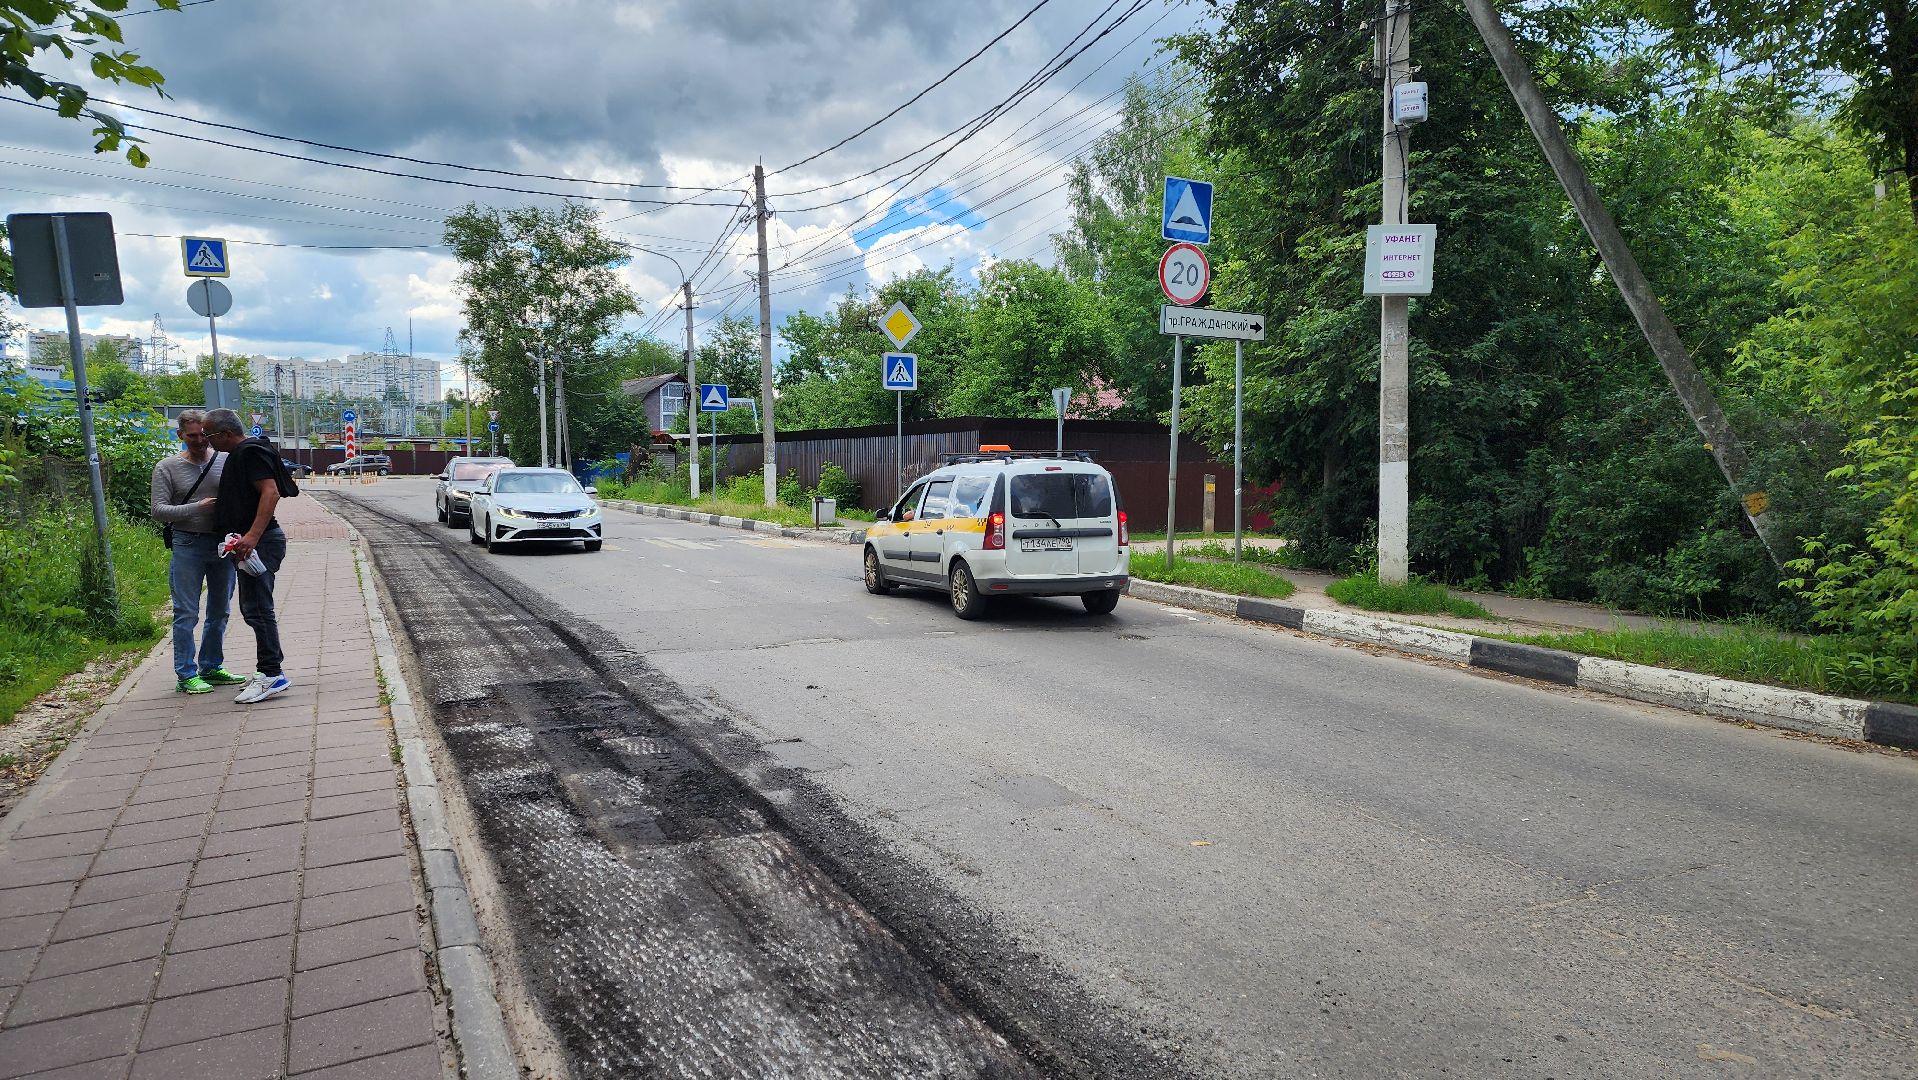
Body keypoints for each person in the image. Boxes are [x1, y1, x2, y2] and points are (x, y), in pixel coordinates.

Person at [149, 410, 245, 694]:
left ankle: (212, 666)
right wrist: (197, 507)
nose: (200, 441)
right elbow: (158, 511)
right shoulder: (166, 467)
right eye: (192, 436)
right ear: (180, 436)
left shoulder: (226, 460)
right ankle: (186, 674)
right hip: (187, 543)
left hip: (222, 544)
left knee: (220, 610)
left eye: (204, 435)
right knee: (186, 612)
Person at [204, 409, 293, 704]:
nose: (207, 441)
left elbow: (271, 492)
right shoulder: (244, 452)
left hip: (260, 542)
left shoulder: (248, 453)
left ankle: (271, 674)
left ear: (225, 433)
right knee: (254, 608)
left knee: (257, 608)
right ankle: (269, 671)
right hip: (252, 542)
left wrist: (252, 536)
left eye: (209, 435)